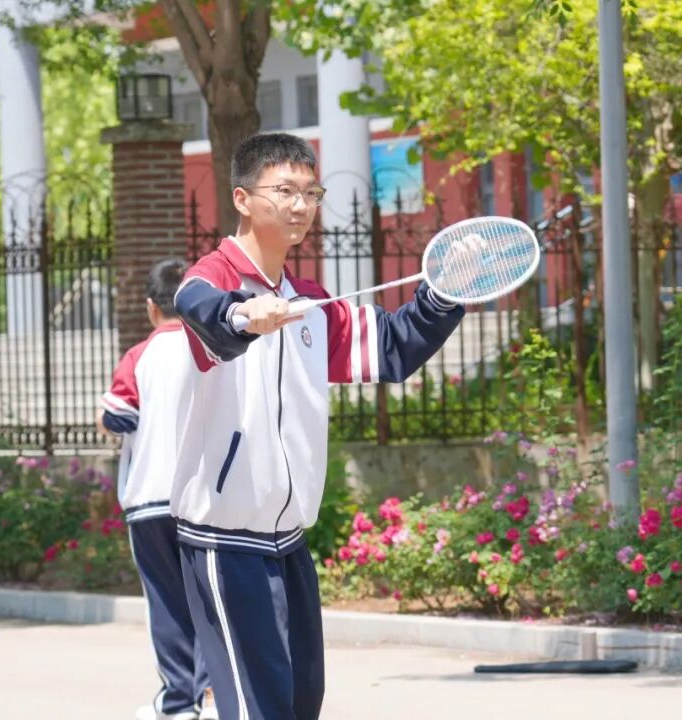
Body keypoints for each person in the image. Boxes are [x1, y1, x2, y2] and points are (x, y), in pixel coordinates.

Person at [171, 132, 467, 720]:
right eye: (284, 191)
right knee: (259, 710)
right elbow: (199, 307)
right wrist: (242, 313)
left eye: (311, 193)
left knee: (301, 703)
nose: (301, 205)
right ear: (242, 198)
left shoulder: (308, 302)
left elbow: (393, 347)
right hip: (226, 541)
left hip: (289, 539)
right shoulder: (212, 277)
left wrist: (447, 289)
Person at [98, 258, 217, 720]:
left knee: (167, 604)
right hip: (204, 499)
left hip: (149, 499)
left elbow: (118, 417)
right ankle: (214, 697)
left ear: (151, 307)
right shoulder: (210, 349)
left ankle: (178, 702)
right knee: (211, 601)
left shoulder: (139, 356)